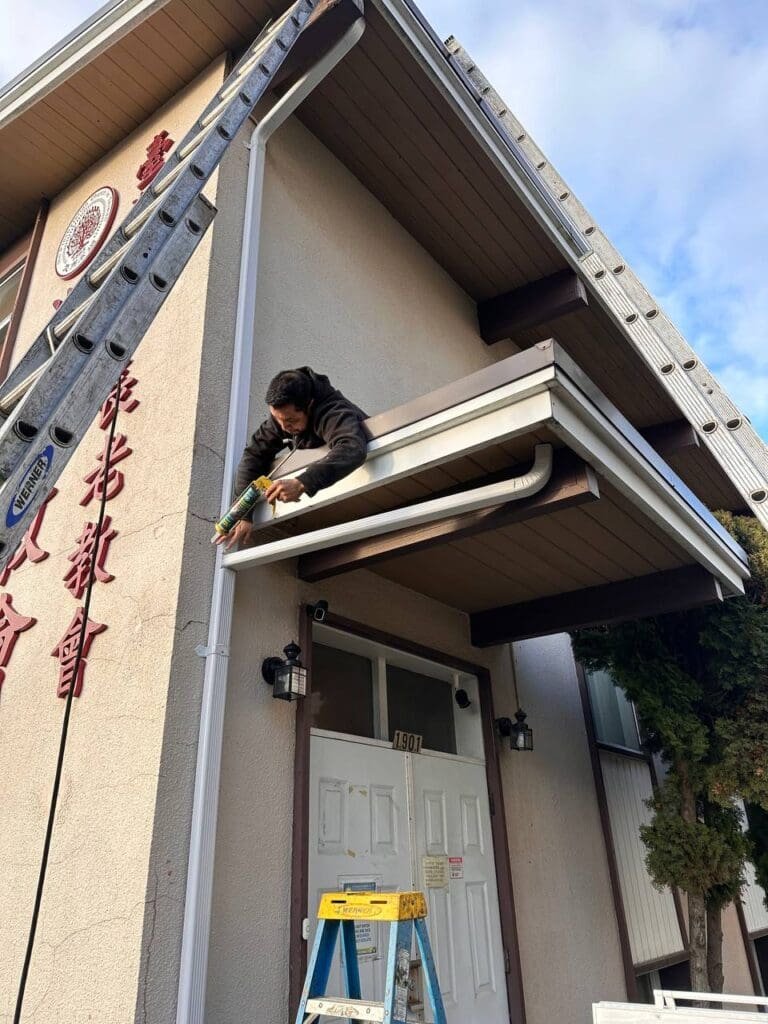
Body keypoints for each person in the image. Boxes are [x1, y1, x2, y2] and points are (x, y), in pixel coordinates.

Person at [215, 367, 368, 549]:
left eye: (290, 421)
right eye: (277, 420)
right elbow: (254, 455)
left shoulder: (333, 412)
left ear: (309, 406)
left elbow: (351, 447)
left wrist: (302, 482)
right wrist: (243, 512)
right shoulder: (283, 419)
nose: (283, 427)